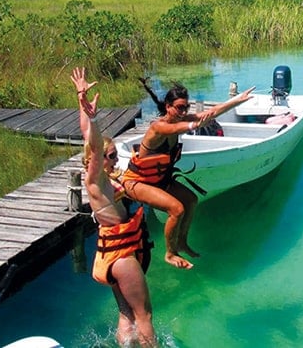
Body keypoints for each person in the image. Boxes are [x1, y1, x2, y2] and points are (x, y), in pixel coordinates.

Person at [122, 79, 255, 269]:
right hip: (138, 182)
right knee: (177, 209)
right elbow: (176, 129)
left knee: (191, 200)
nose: (183, 112)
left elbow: (210, 113)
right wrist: (193, 124)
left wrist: (237, 101)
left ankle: (182, 242)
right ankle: (170, 253)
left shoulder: (180, 120)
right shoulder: (158, 127)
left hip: (159, 180)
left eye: (186, 108)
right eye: (179, 108)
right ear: (168, 107)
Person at [71, 67, 156, 347]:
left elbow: (87, 136)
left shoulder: (103, 179)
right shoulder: (95, 179)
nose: (115, 160)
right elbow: (94, 146)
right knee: (144, 314)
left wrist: (81, 99)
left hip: (111, 252)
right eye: (111, 156)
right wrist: (94, 119)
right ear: (97, 160)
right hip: (120, 255)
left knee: (126, 313)